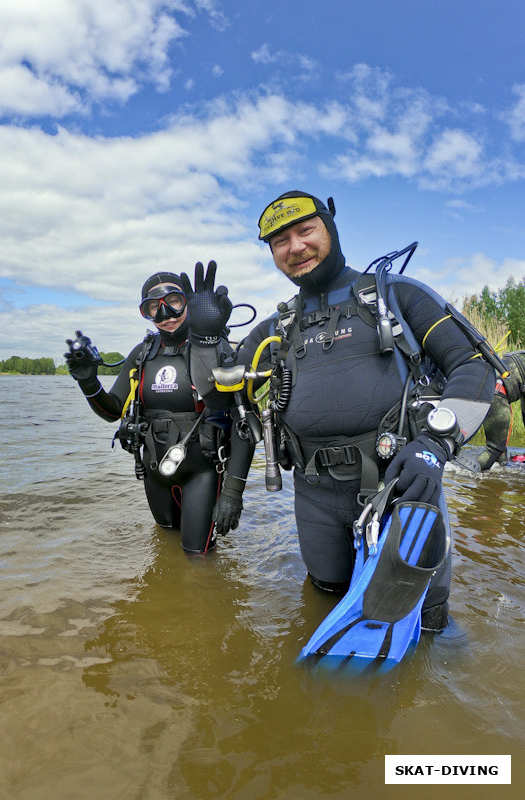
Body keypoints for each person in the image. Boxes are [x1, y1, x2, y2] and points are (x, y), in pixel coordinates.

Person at [180, 191, 495, 630]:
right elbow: (218, 399)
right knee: (324, 604)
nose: (295, 247)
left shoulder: (396, 295)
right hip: (315, 497)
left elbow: (474, 366)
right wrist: (205, 341)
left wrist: (435, 446)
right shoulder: (276, 330)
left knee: (426, 619)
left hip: (403, 487)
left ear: (331, 228)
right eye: (279, 242)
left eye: (305, 231)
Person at [64, 272, 255, 555]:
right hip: (155, 474)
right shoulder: (142, 353)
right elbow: (112, 410)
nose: (165, 313)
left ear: (188, 302)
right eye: (153, 307)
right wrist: (88, 382)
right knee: (164, 546)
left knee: (197, 559)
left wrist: (232, 494)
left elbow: (244, 421)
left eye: (173, 301)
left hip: (202, 472)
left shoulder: (211, 347)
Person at [476, 350, 525, 470]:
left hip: (479, 388)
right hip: (496, 395)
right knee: (495, 449)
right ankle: (465, 474)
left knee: (500, 452)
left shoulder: (519, 357)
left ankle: (498, 478)